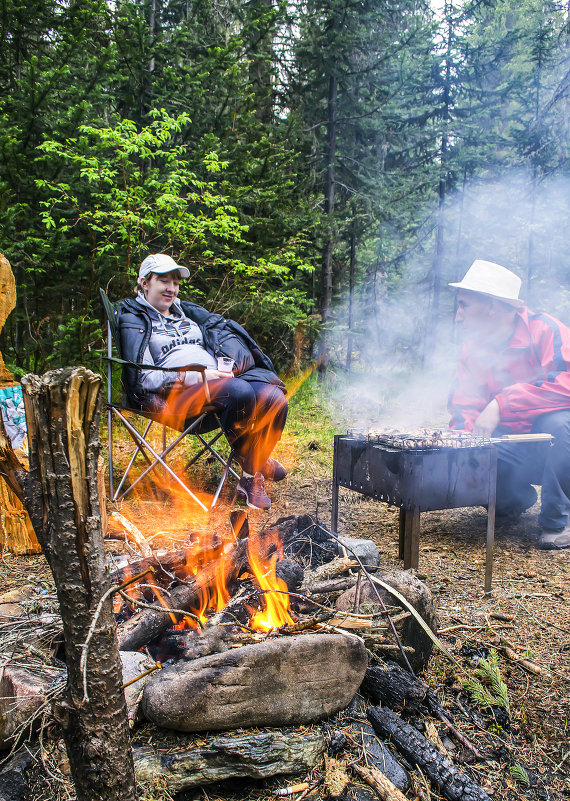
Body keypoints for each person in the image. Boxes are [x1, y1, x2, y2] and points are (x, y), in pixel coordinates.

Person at [116, 253, 288, 510]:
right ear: (144, 282)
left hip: (218, 381)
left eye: (175, 282)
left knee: (274, 399)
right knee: (240, 393)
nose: (171, 289)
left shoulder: (186, 312)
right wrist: (198, 376)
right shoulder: (134, 319)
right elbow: (144, 377)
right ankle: (256, 464)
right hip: (177, 394)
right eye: (164, 281)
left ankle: (250, 474)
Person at [448, 259, 570, 550]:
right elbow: (465, 403)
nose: (458, 317)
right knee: (472, 447)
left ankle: (559, 521)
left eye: (463, 305)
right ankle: (514, 500)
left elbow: (567, 380)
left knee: (558, 423)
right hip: (521, 450)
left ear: (491, 305)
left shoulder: (546, 330)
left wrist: (502, 404)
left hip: (558, 447)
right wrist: (462, 443)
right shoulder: (474, 348)